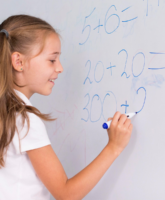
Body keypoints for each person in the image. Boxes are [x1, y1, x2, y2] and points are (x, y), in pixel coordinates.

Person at [0, 14, 133, 200]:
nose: (60, 68)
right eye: (52, 60)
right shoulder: (25, 120)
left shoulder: (6, 112)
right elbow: (66, 193)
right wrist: (114, 147)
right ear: (19, 62)